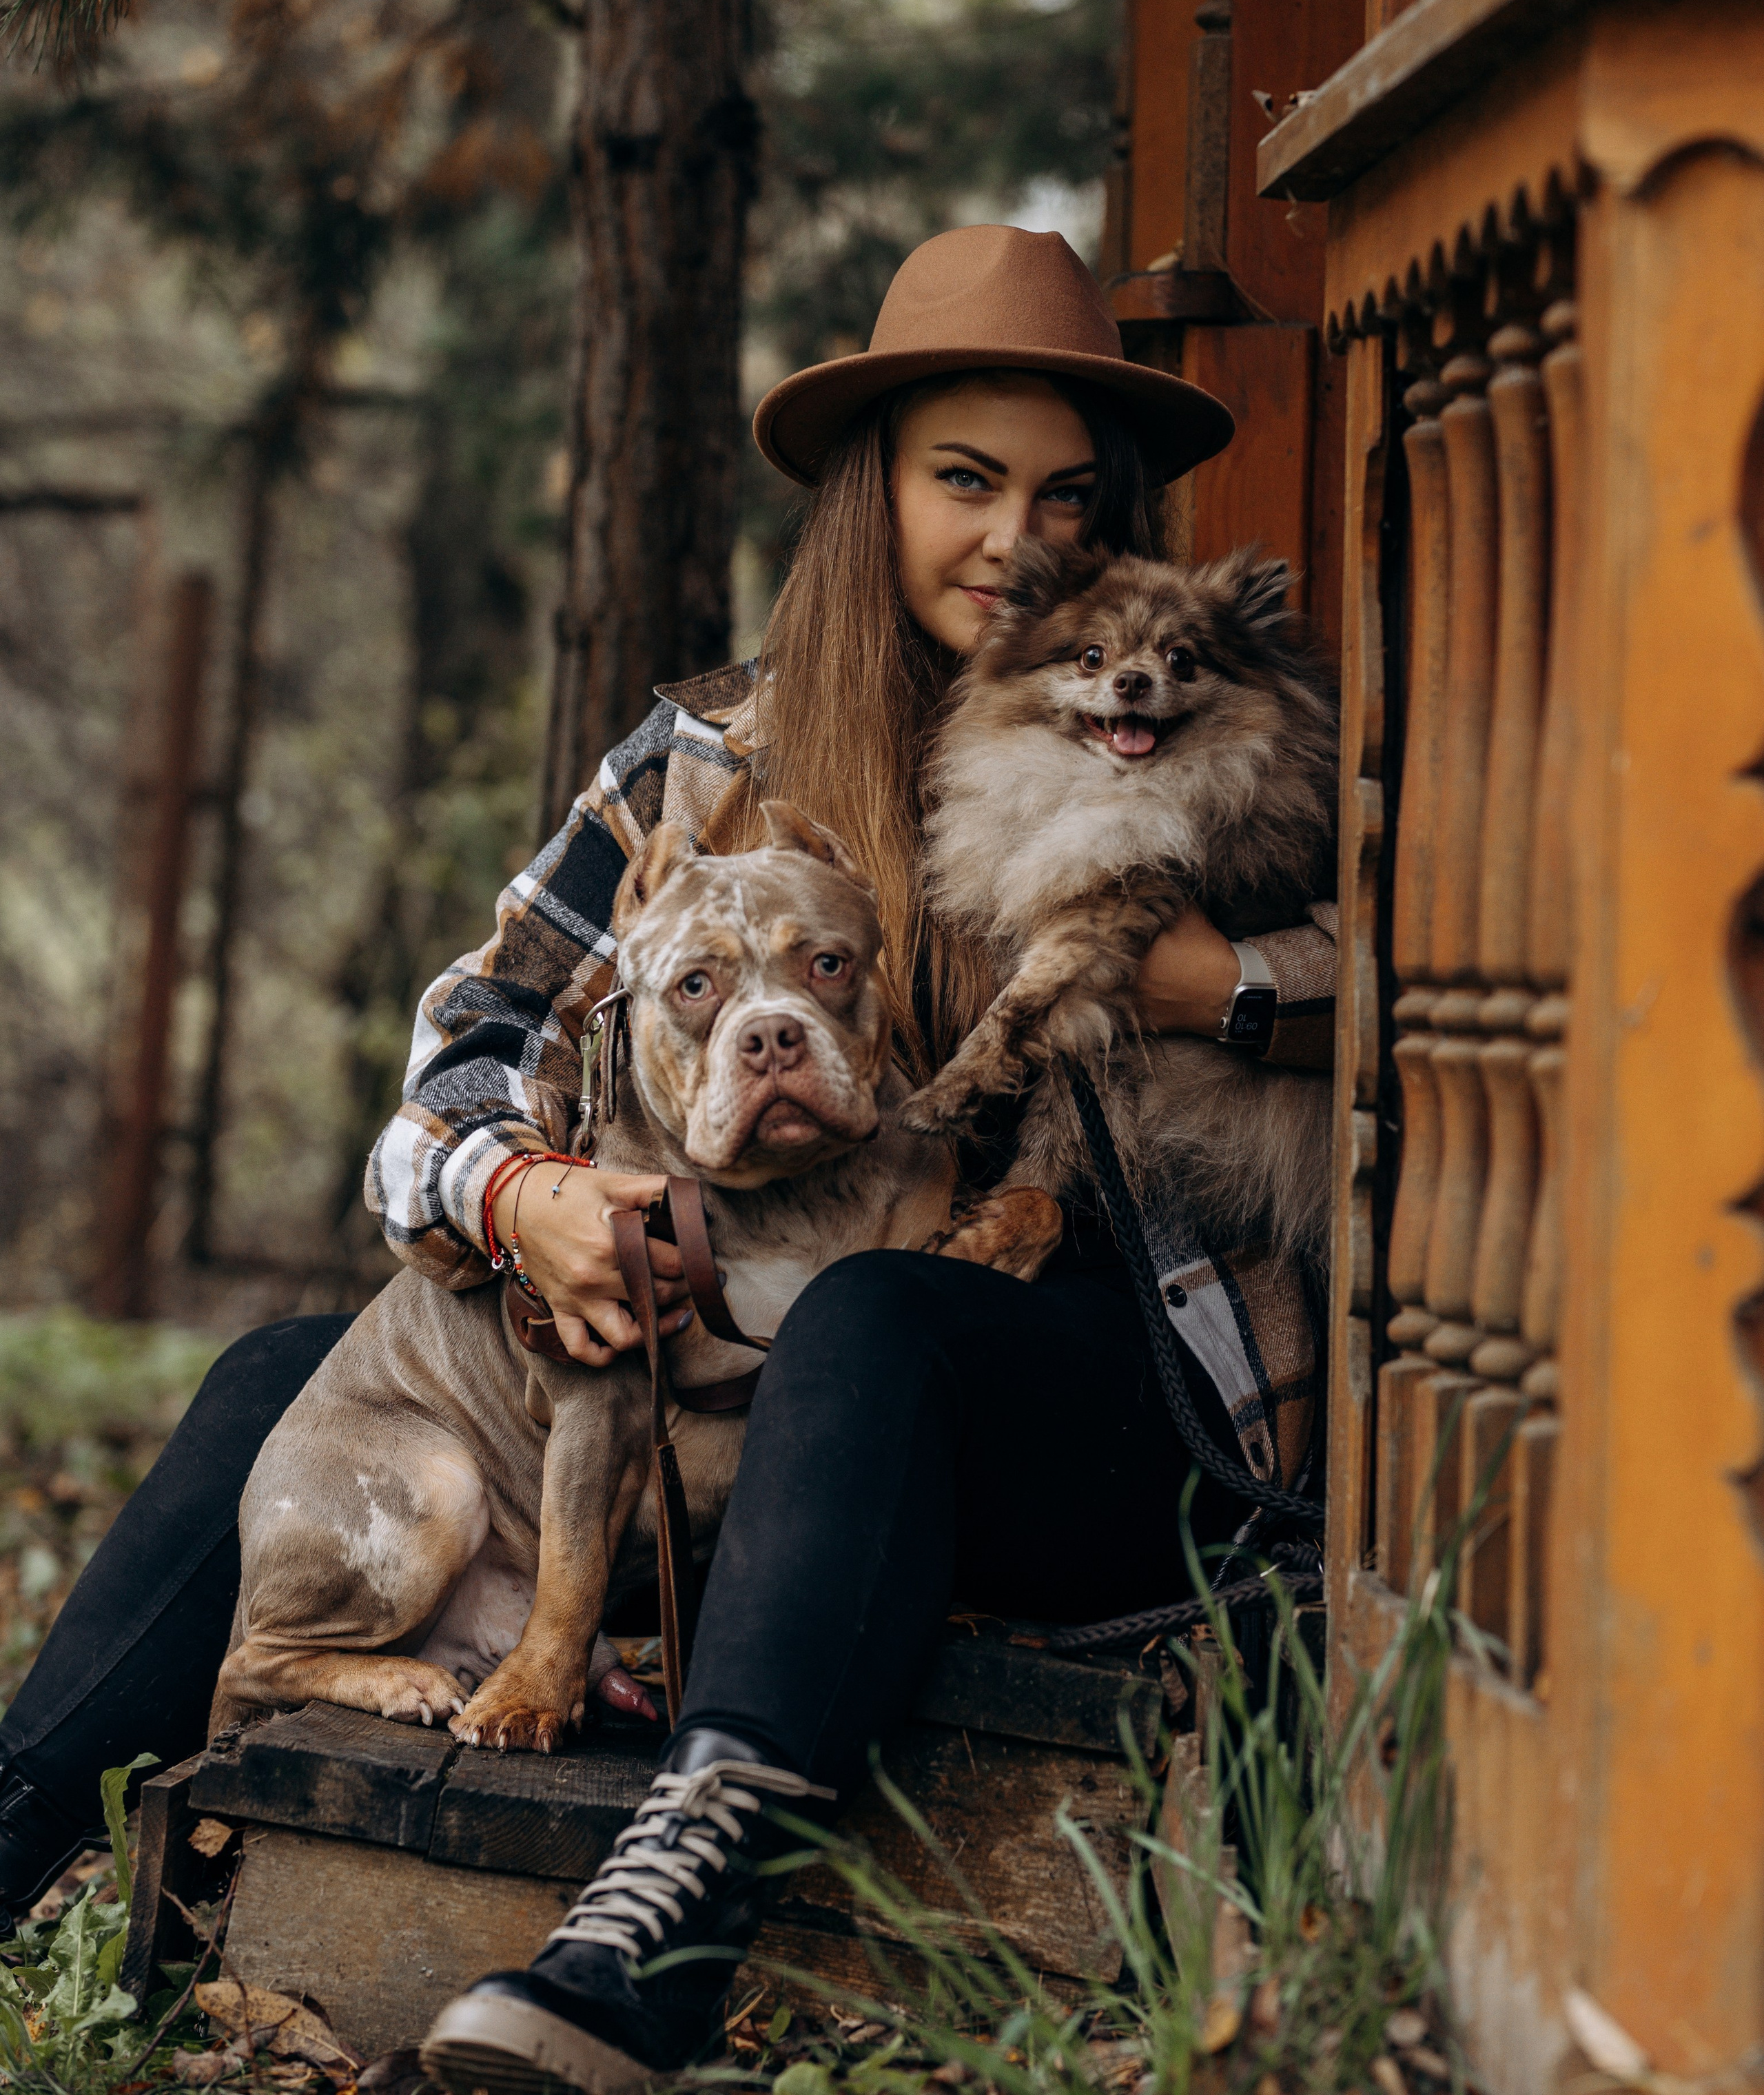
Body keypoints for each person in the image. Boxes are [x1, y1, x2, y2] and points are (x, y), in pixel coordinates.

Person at [0, 228, 1337, 2092]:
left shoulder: (1174, 721)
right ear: (874, 496)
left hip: (1078, 1409)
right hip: (717, 1440)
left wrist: (1224, 984)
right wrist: (515, 1191)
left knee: (878, 1316)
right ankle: (11, 1827)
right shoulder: (710, 754)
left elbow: (1391, 979)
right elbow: (455, 1058)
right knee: (282, 1376)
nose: (1015, 539)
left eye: (1065, 496)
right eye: (966, 480)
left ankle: (656, 1937)